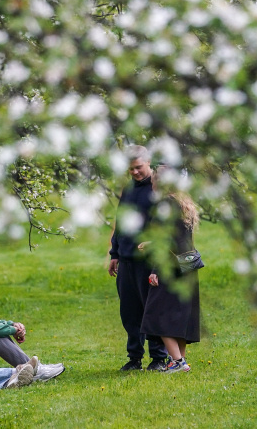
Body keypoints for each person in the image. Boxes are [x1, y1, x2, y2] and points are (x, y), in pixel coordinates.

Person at [107, 145, 170, 371]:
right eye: (130, 169)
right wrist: (114, 253)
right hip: (126, 260)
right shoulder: (128, 189)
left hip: (149, 260)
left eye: (138, 167)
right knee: (129, 312)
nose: (134, 172)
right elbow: (120, 222)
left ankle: (159, 357)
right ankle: (134, 357)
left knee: (151, 309)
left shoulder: (159, 190)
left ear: (149, 162)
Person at [140, 167, 202, 373]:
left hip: (170, 267)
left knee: (157, 314)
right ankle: (180, 359)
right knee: (180, 315)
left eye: (153, 182)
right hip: (188, 265)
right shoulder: (185, 204)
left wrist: (155, 269)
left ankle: (177, 362)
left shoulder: (164, 205)